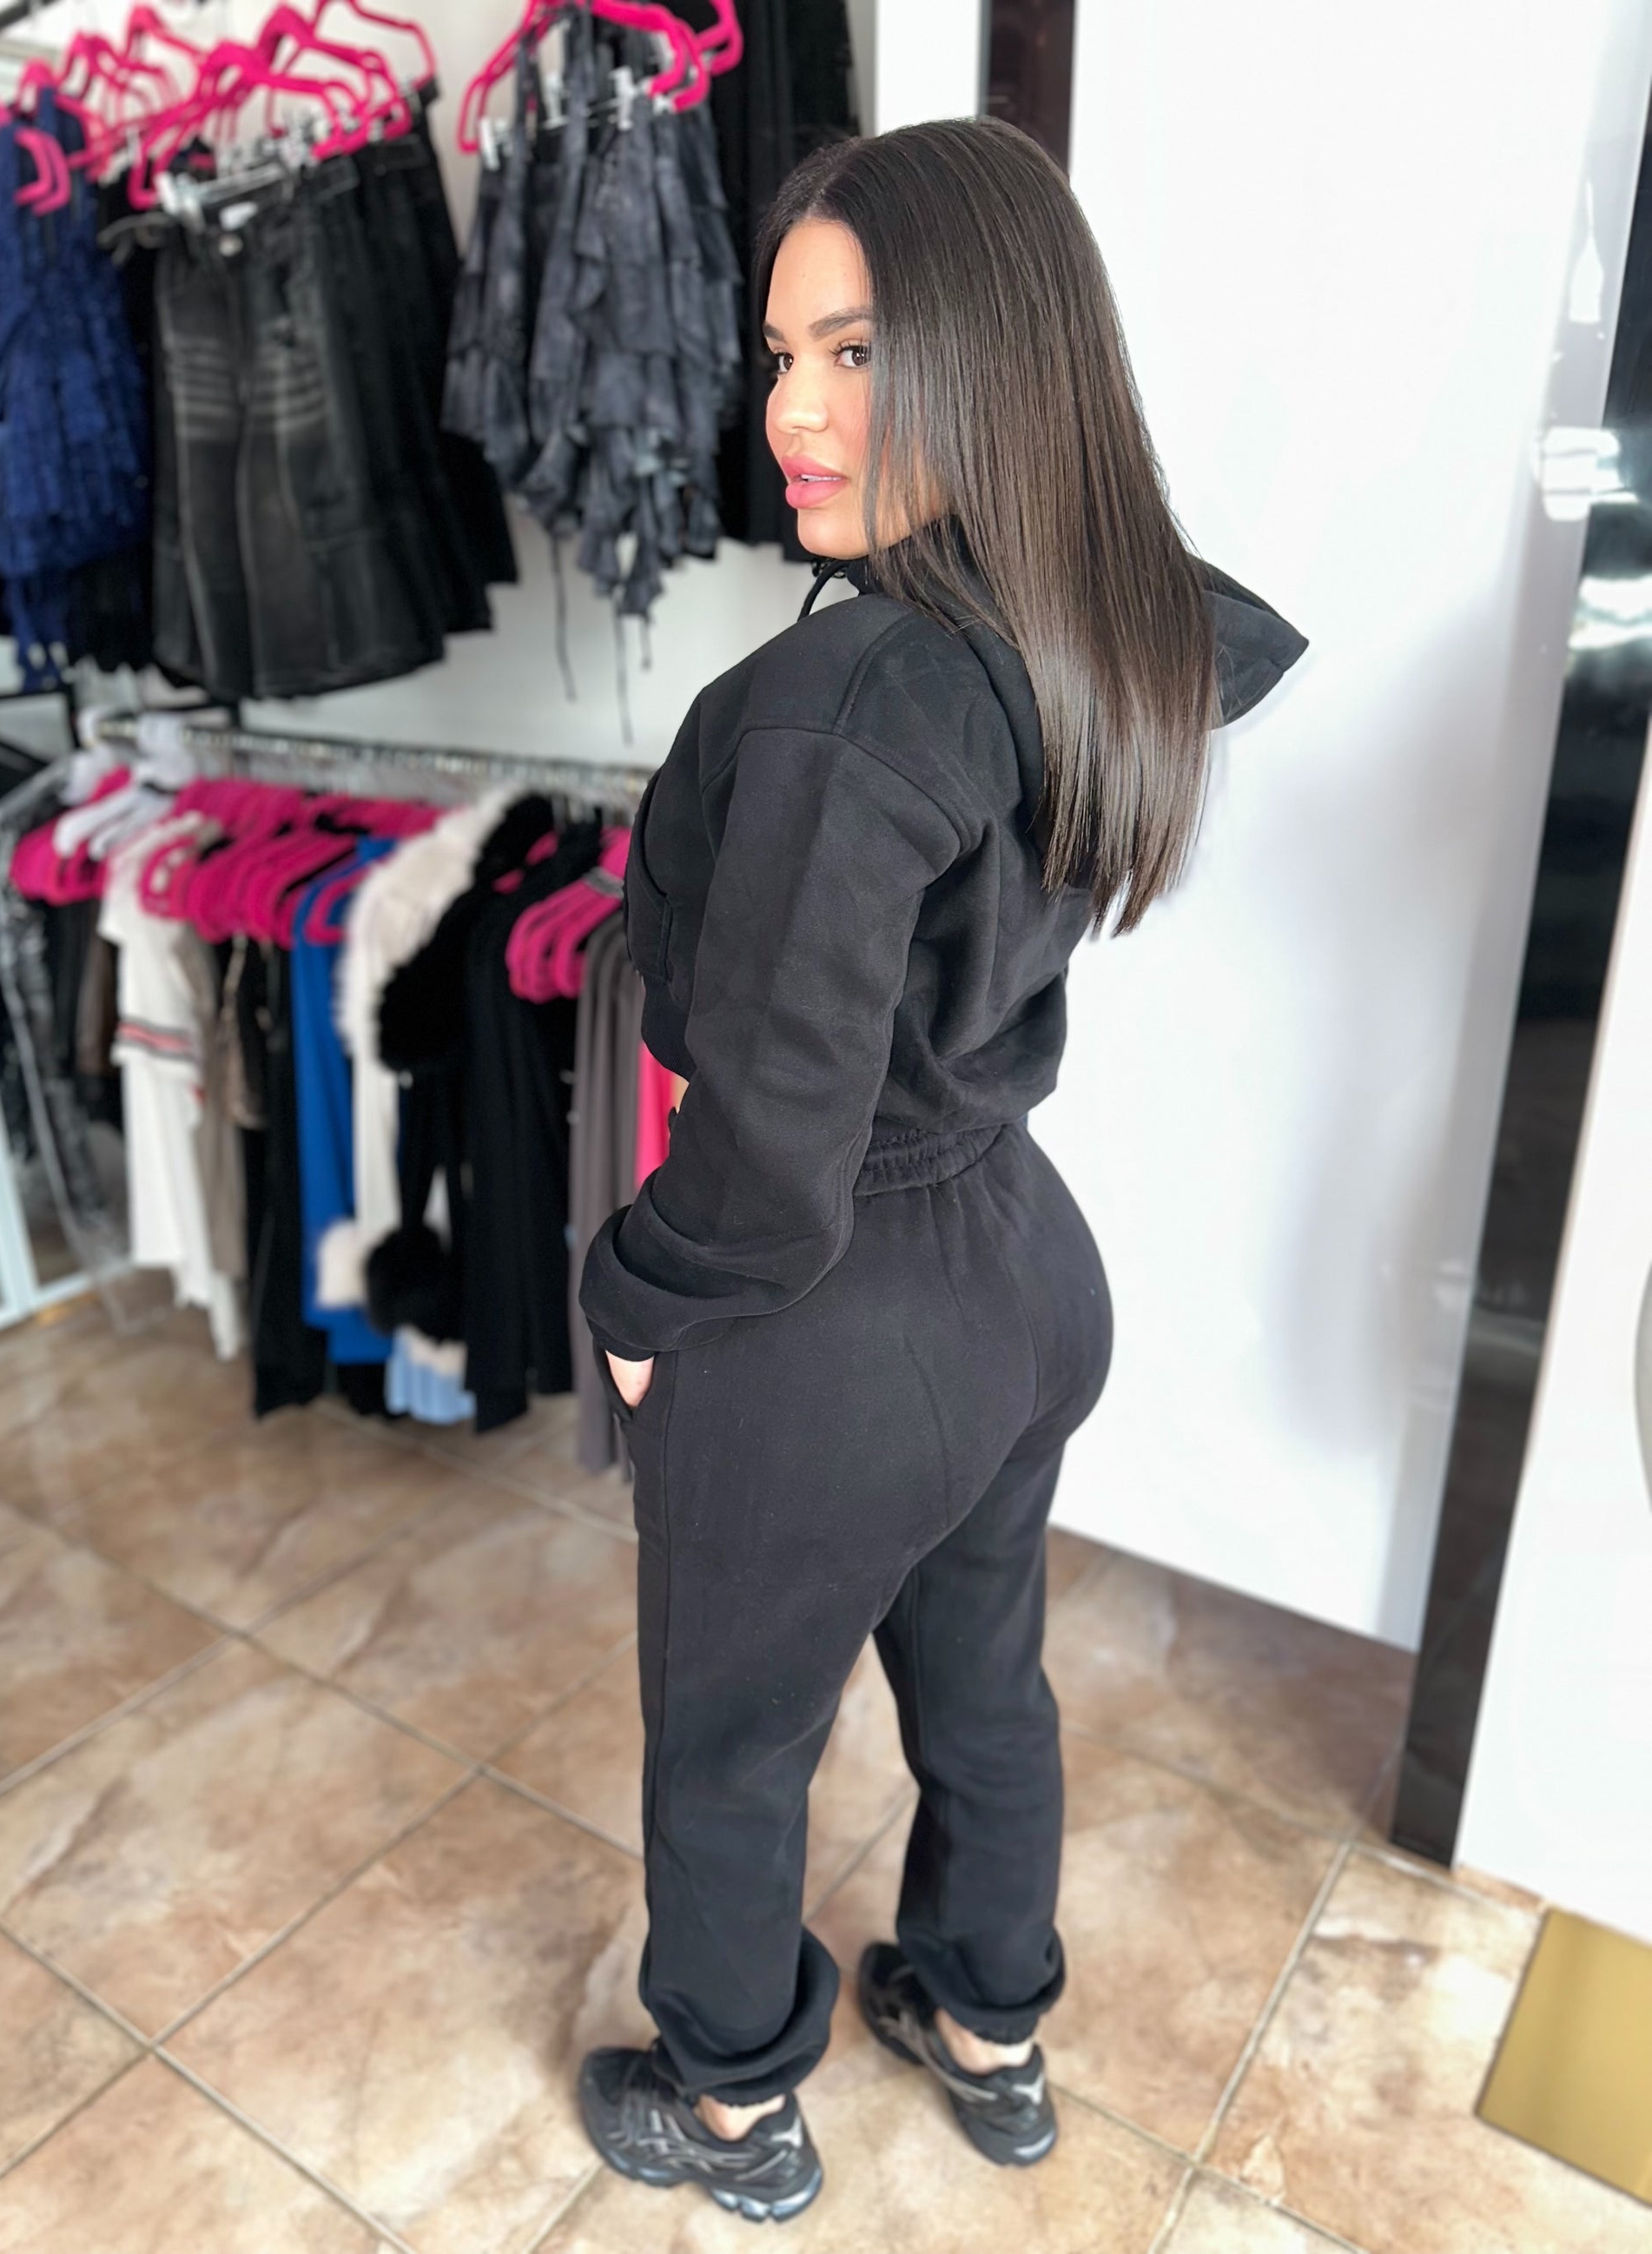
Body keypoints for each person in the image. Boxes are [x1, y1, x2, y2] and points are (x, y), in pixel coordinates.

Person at [575, 116, 1305, 2223]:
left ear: (996, 357)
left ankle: (730, 2101)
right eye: (780, 353)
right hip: (1020, 1273)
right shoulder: (1095, 621)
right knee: (983, 1676)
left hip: (826, 1313)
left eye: (857, 352)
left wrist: (638, 1297)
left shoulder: (845, 700)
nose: (791, 412)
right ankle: (988, 2027)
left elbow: (771, 1140)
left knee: (731, 1736)